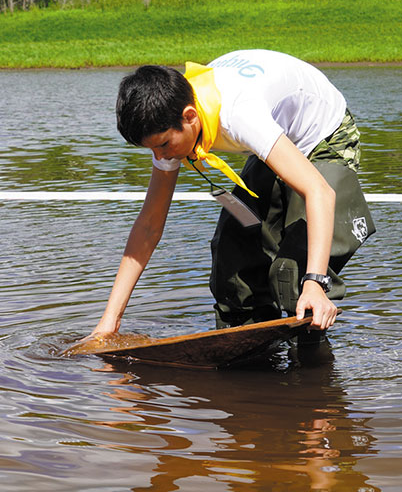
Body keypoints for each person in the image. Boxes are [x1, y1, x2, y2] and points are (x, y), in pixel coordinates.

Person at [90, 49, 373, 339]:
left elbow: (319, 191)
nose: (161, 157)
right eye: (152, 149)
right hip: (278, 136)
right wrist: (110, 322)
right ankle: (250, 353)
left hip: (324, 136)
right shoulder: (169, 114)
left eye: (163, 145)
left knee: (295, 271)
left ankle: (312, 369)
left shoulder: (240, 115)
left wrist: (315, 282)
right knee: (232, 251)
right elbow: (149, 225)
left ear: (189, 116)